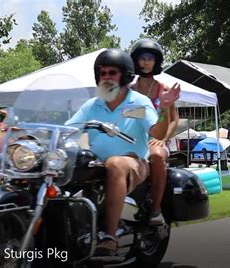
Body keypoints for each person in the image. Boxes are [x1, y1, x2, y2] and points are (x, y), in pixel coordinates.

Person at [65, 49, 177, 258]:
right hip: (95, 164)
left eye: (112, 73)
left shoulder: (137, 103)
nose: (106, 77)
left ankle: (110, 236)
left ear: (125, 76)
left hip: (133, 162)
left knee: (115, 163)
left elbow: (156, 132)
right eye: (102, 73)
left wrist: (165, 108)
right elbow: (68, 130)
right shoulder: (93, 105)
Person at [130, 38, 180, 226]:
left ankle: (156, 210)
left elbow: (174, 120)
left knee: (157, 156)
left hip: (155, 140)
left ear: (156, 62)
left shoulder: (163, 89)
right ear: (135, 60)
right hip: (131, 140)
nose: (146, 62)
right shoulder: (128, 90)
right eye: (142, 58)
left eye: (150, 58)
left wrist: (163, 139)